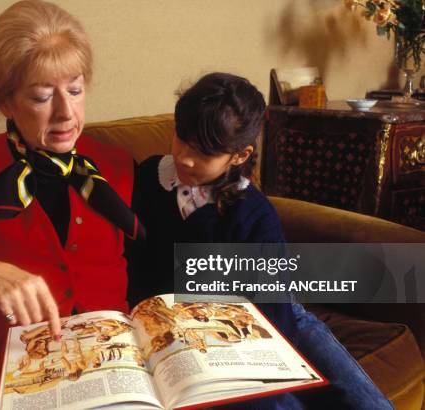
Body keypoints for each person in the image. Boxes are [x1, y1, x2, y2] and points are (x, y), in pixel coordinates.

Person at [0, 1, 142, 408]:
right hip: (3, 385)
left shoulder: (122, 168)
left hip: (116, 376)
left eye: (75, 89)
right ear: (4, 102)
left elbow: (162, 277)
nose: (67, 113)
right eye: (41, 97)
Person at [127, 72, 392, 409]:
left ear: (239, 155)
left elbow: (276, 321)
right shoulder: (150, 177)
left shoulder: (253, 214)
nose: (185, 158)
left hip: (272, 313)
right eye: (181, 139)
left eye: (204, 153)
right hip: (186, 323)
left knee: (361, 400)